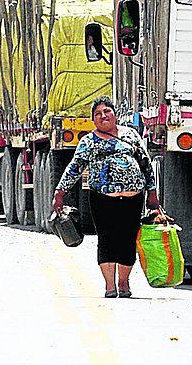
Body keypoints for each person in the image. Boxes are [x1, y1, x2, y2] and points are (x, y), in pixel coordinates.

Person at [51, 97, 158, 298]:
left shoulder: (130, 135)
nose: (103, 116)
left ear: (115, 115)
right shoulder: (88, 142)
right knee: (107, 239)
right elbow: (74, 168)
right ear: (93, 120)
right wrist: (60, 193)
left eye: (107, 111)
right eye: (98, 114)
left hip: (133, 198)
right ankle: (110, 286)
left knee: (127, 240)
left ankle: (124, 283)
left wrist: (152, 192)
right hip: (102, 199)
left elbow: (145, 164)